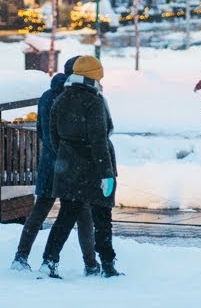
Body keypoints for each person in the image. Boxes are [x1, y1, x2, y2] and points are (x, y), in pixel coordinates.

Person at [11, 59, 97, 275]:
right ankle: (90, 264)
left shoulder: (47, 96)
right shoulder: (71, 98)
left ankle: (21, 257)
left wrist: (56, 155)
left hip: (50, 165)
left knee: (39, 213)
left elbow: (44, 132)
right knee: (83, 214)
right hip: (70, 168)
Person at [38, 55, 121, 279]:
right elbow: (99, 141)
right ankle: (107, 265)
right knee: (102, 219)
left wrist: (68, 156)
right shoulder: (93, 101)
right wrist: (107, 174)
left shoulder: (62, 99)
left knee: (65, 218)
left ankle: (49, 261)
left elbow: (53, 137)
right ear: (94, 77)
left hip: (68, 171)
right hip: (94, 171)